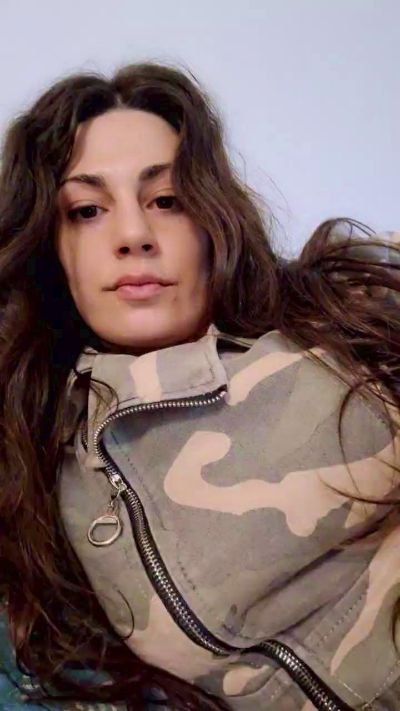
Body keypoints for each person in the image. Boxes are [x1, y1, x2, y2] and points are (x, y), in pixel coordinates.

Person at [0, 61, 399, 711]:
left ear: (212, 214)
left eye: (166, 200)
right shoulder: (34, 463)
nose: (134, 235)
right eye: (87, 210)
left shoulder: (343, 309)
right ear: (49, 242)